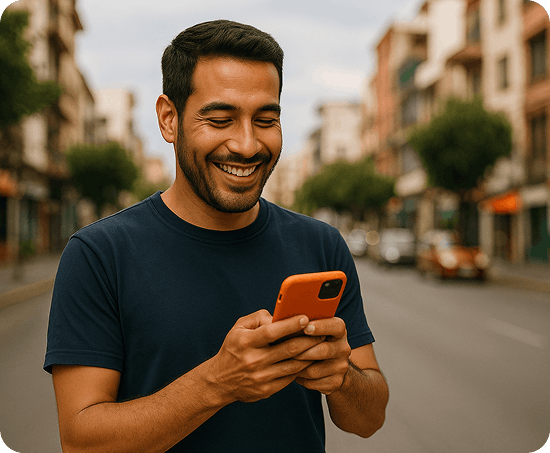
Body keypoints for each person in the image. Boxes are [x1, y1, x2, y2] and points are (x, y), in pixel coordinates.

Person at [44, 19, 389, 452]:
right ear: (169, 120)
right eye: (221, 119)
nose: (247, 145)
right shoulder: (98, 255)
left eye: (265, 119)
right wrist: (219, 382)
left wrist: (341, 377)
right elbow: (81, 443)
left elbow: (369, 419)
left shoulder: (321, 244)